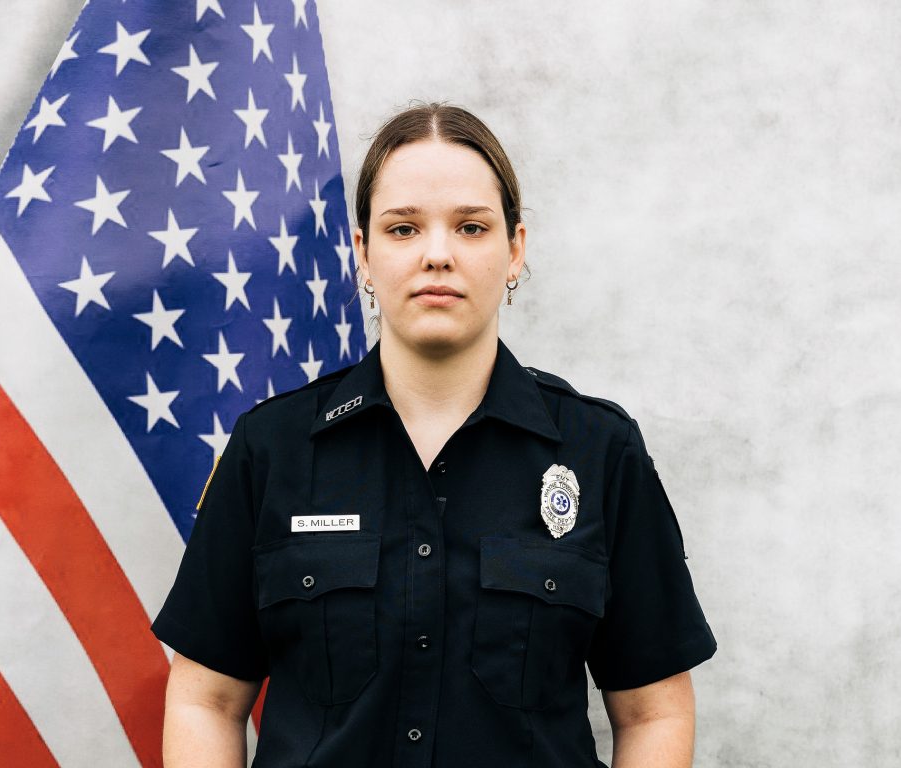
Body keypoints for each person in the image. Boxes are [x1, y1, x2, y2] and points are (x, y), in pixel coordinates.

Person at [151, 102, 717, 768]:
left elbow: (654, 711)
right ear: (362, 253)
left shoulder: (599, 452)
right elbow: (206, 702)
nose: (438, 254)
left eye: (471, 227)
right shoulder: (271, 450)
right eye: (403, 228)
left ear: (515, 250)